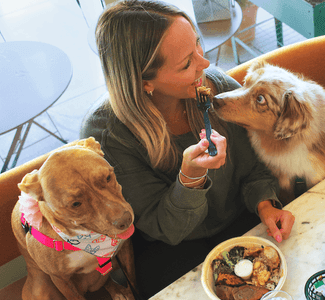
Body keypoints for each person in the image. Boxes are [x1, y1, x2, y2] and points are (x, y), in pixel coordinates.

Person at [80, 0, 295, 298]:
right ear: (145, 83)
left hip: (239, 219)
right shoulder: (108, 135)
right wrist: (190, 178)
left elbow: (255, 166)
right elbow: (165, 229)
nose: (204, 64)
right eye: (185, 63)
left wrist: (265, 204)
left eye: (198, 44)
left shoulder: (215, 88)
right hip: (170, 248)